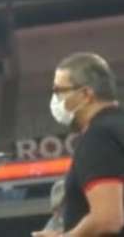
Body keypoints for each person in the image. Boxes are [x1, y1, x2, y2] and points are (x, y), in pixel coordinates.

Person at [33, 52, 124, 237]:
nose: (55, 100)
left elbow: (108, 219)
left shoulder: (98, 136)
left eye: (59, 91)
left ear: (86, 94)